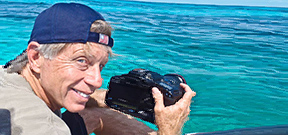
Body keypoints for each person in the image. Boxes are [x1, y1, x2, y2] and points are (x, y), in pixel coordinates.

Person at [0, 2, 196, 135]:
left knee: (94, 115)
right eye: (81, 61)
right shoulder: (40, 126)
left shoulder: (8, 75)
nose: (97, 80)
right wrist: (169, 129)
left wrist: (107, 99)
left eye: (100, 66)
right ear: (35, 57)